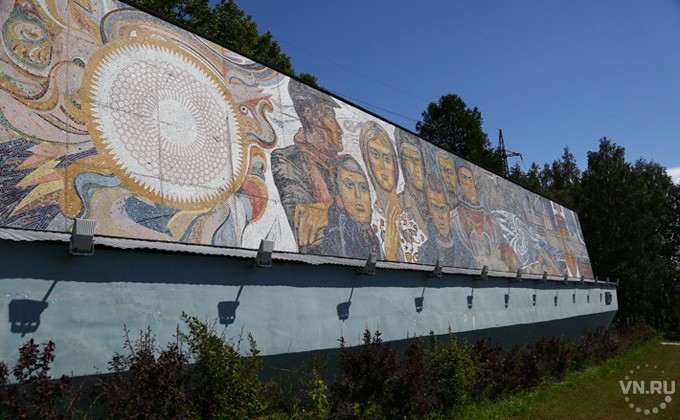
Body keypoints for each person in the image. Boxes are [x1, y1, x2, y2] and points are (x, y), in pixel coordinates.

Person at [271, 79, 344, 254]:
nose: (340, 129)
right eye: (330, 116)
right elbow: (306, 226)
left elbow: (362, 216)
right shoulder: (287, 159)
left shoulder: (344, 165)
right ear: (309, 114)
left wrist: (330, 212)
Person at [359, 121, 426, 263]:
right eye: (375, 155)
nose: (383, 166)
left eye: (387, 158)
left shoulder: (412, 209)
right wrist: (390, 254)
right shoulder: (371, 219)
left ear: (395, 163)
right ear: (368, 161)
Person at [451, 158, 519, 271]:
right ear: (458, 184)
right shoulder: (454, 218)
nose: (468, 184)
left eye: (470, 179)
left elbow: (510, 261)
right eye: (463, 178)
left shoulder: (493, 224)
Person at [322, 155, 381, 259]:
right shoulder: (337, 239)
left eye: (363, 188)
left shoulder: (372, 239)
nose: (358, 195)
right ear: (339, 197)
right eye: (349, 185)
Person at [419, 175, 473, 267]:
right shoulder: (425, 251)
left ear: (449, 211)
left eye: (443, 209)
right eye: (435, 208)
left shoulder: (465, 252)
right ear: (429, 211)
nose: (440, 216)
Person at [395, 129, 430, 233]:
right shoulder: (399, 204)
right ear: (402, 162)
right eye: (409, 159)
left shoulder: (436, 199)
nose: (416, 168)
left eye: (418, 160)